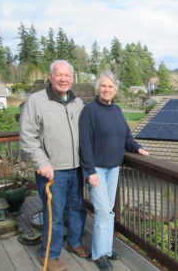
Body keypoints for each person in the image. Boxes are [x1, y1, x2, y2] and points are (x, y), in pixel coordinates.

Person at [20, 60, 89, 271]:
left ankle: (74, 241)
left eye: (67, 75)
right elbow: (27, 137)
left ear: (72, 79)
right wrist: (42, 163)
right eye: (59, 75)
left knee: (77, 209)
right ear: (51, 77)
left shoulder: (78, 103)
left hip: (76, 168)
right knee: (55, 215)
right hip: (51, 171)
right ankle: (49, 254)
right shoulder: (36, 101)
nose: (63, 79)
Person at [79, 70, 149, 271]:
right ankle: (100, 255)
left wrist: (137, 148)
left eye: (110, 86)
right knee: (102, 211)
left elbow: (126, 136)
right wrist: (90, 171)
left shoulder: (117, 110)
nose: (107, 90)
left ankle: (106, 249)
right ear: (97, 88)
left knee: (108, 211)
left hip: (113, 167)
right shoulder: (89, 111)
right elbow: (84, 143)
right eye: (103, 86)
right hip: (97, 170)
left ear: (115, 90)